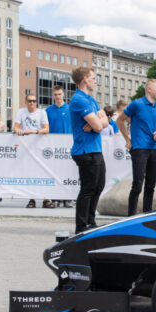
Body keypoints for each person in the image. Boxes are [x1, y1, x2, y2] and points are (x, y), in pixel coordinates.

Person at [69, 67, 109, 233]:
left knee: (99, 186)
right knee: (88, 188)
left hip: (95, 149)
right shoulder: (79, 100)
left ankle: (91, 222)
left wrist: (97, 123)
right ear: (85, 79)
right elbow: (99, 127)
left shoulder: (91, 100)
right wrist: (97, 124)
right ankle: (82, 225)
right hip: (85, 151)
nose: (95, 80)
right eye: (93, 78)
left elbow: (106, 121)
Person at [118, 78, 156, 216]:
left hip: (154, 149)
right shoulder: (136, 104)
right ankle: (131, 217)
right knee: (138, 185)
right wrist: (127, 139)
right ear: (149, 89)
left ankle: (147, 215)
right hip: (139, 149)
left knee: (151, 186)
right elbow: (119, 120)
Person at [14, 95, 51, 208]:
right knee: (30, 173)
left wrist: (34, 132)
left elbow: (46, 129)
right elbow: (15, 127)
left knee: (43, 172)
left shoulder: (42, 113)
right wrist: (18, 130)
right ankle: (31, 199)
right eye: (30, 101)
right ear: (26, 102)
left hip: (39, 145)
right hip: (27, 147)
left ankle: (46, 198)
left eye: (34, 101)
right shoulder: (21, 112)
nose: (32, 103)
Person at [45, 86, 72, 207]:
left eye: (59, 94)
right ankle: (55, 197)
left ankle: (67, 198)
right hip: (54, 145)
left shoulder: (70, 109)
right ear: (53, 95)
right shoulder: (48, 110)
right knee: (55, 172)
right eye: (55, 94)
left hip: (68, 145)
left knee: (67, 172)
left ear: (63, 95)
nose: (57, 96)